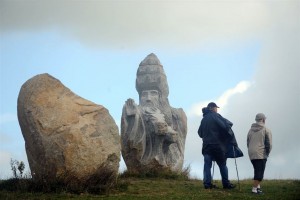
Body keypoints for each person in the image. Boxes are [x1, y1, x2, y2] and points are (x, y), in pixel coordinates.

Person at [121, 53, 187, 173]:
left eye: (153, 93)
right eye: (144, 94)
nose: (148, 98)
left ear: (161, 96)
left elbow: (177, 141)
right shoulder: (135, 111)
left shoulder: (175, 114)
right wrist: (134, 117)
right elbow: (130, 145)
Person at [198, 102, 236, 189]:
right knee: (222, 164)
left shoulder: (203, 119)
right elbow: (225, 127)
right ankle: (226, 184)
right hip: (218, 146)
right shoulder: (216, 116)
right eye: (216, 108)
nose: (217, 109)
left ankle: (207, 184)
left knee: (207, 165)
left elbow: (200, 133)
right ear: (212, 108)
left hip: (206, 146)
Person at [247, 113, 272, 194]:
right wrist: (267, 153)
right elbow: (269, 144)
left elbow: (248, 142)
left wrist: (251, 150)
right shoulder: (265, 129)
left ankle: (258, 188)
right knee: (259, 173)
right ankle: (254, 190)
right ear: (263, 119)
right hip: (261, 153)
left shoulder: (250, 130)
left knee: (256, 170)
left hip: (251, 153)